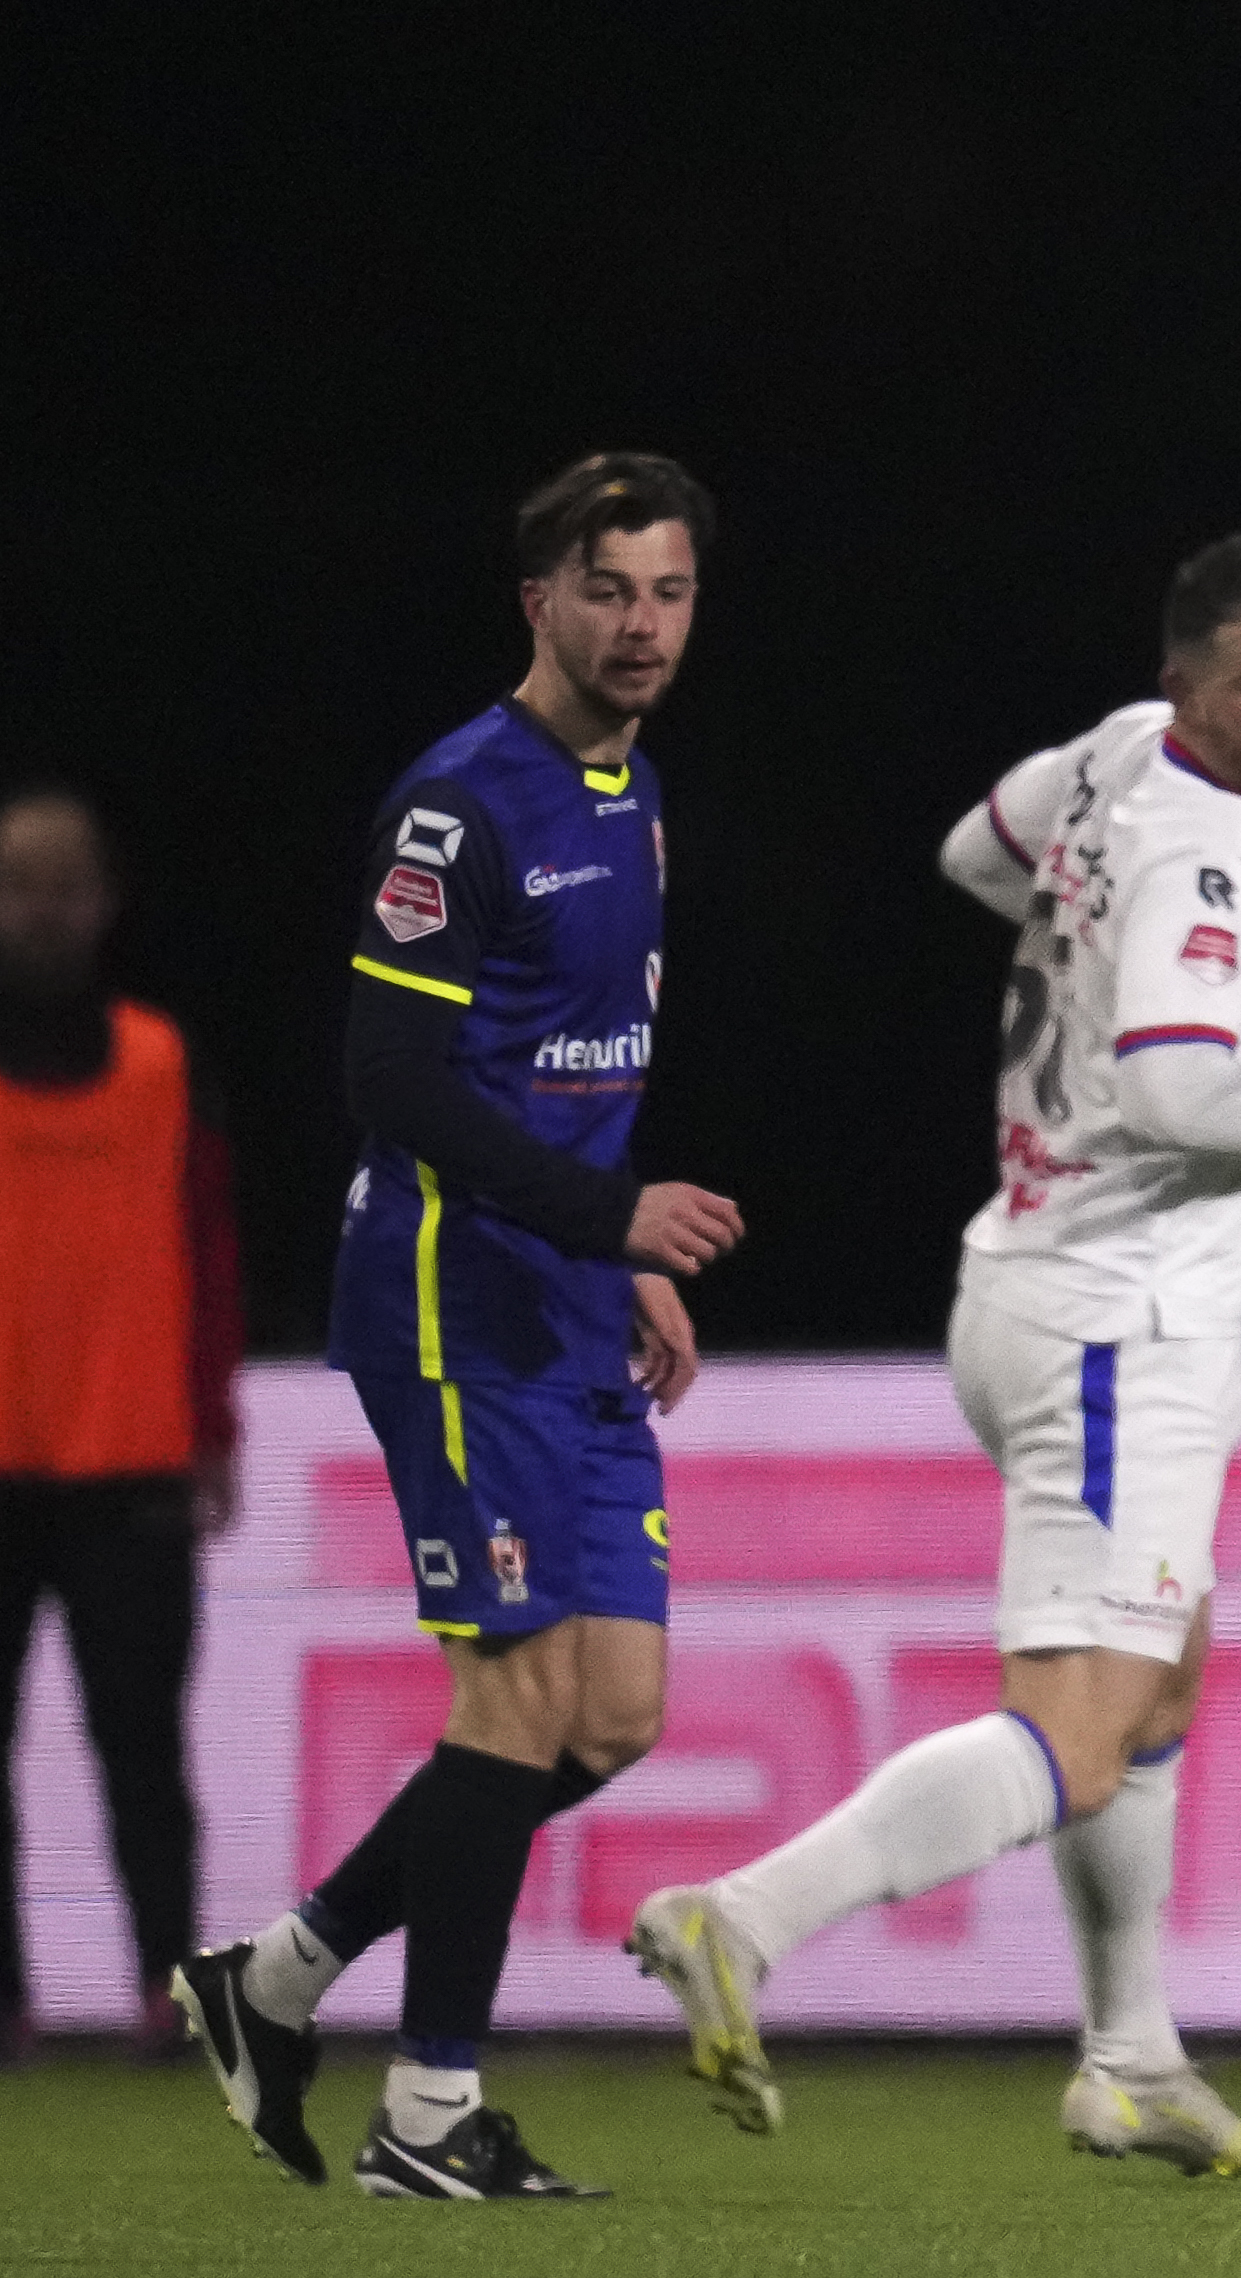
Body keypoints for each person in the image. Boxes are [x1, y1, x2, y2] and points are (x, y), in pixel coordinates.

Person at [627, 533, 1241, 2177]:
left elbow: (980, 849)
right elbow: (1182, 1089)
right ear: (1197, 684)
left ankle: (1131, 2056)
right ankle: (741, 1917)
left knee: (1159, 1672)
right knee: (1083, 1724)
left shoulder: (1120, 751)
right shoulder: (1209, 862)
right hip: (1119, 1329)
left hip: (1033, 1277)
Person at [174, 453, 744, 2199]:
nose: (641, 625)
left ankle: (276, 1974)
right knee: (513, 1702)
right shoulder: (462, 803)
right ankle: (430, 2113)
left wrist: (621, 1248)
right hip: (448, 1304)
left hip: (571, 1303)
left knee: (617, 1713)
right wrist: (607, 1214)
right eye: (608, 591)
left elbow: (564, 1067)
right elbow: (395, 1075)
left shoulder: (632, 789)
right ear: (538, 603)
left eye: (668, 591)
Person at [0, 788, 243, 2062]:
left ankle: (168, 1989)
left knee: (144, 1747)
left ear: (101, 903)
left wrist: (215, 1427)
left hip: (131, 1453)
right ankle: (9, 2000)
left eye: (63, 883)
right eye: (18, 883)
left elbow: (208, 1251)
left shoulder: (158, 1060)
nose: (41, 907)